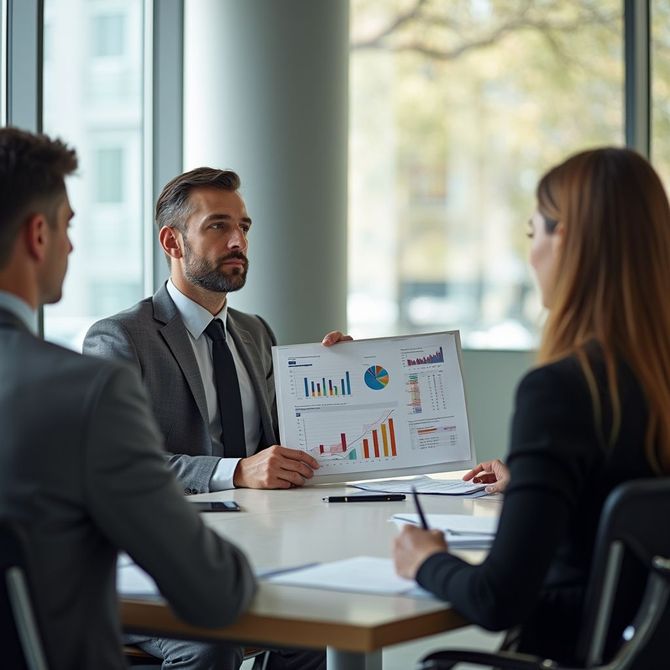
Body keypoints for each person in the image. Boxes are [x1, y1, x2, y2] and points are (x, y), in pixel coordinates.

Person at [393, 147, 670, 666]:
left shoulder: (562, 390)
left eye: (532, 233)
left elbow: (497, 598)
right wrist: (534, 481)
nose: (531, 253)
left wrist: (426, 560)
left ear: (563, 239)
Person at [0, 127, 256, 670]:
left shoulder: (257, 333)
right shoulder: (85, 387)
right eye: (67, 227)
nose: (72, 246)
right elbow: (213, 590)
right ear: (37, 235)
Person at [84, 167, 345, 669]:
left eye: (244, 227)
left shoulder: (255, 332)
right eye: (218, 226)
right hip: (155, 563)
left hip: (259, 551)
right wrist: (236, 470)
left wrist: (337, 382)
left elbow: (285, 447)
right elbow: (115, 465)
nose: (237, 240)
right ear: (172, 241)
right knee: (211, 645)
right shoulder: (119, 338)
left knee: (315, 628)